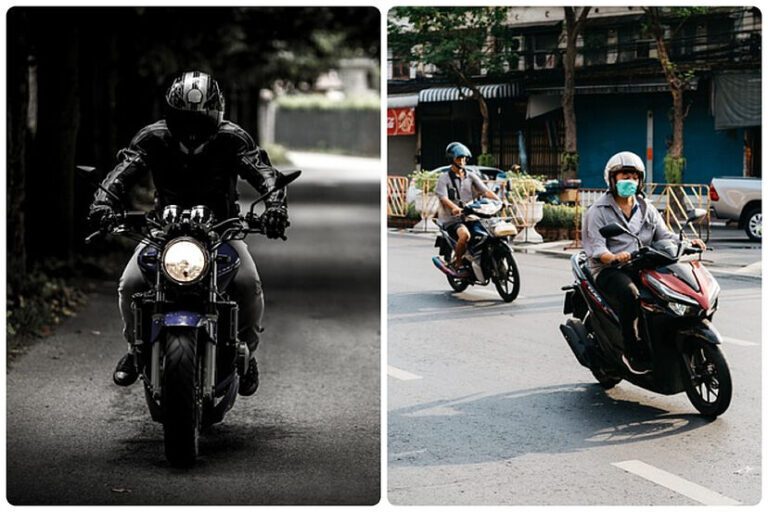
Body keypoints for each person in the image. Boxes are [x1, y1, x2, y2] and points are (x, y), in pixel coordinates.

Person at [88, 71, 290, 396]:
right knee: (130, 283)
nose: (193, 128)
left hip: (222, 229)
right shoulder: (152, 138)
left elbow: (263, 172)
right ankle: (134, 348)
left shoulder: (233, 139)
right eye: (185, 119)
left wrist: (276, 208)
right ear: (171, 112)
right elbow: (122, 173)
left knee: (248, 283)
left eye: (201, 119)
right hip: (162, 229)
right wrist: (102, 203)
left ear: (216, 114)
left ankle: (248, 352)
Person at [582, 151, 706, 375]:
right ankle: (632, 350)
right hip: (611, 269)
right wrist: (613, 257)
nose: (629, 181)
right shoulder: (598, 211)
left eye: (633, 176)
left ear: (640, 180)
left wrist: (688, 242)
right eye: (623, 176)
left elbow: (665, 236)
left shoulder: (646, 207)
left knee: (672, 287)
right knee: (630, 294)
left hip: (643, 263)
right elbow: (596, 247)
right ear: (612, 179)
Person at [435, 142, 500, 275]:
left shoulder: (470, 175)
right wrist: (454, 208)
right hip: (452, 219)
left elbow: (486, 191)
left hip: (471, 214)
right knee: (465, 235)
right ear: (451, 159)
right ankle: (457, 264)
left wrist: (501, 201)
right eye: (459, 158)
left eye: (464, 158)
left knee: (489, 232)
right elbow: (443, 198)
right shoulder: (444, 178)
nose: (463, 161)